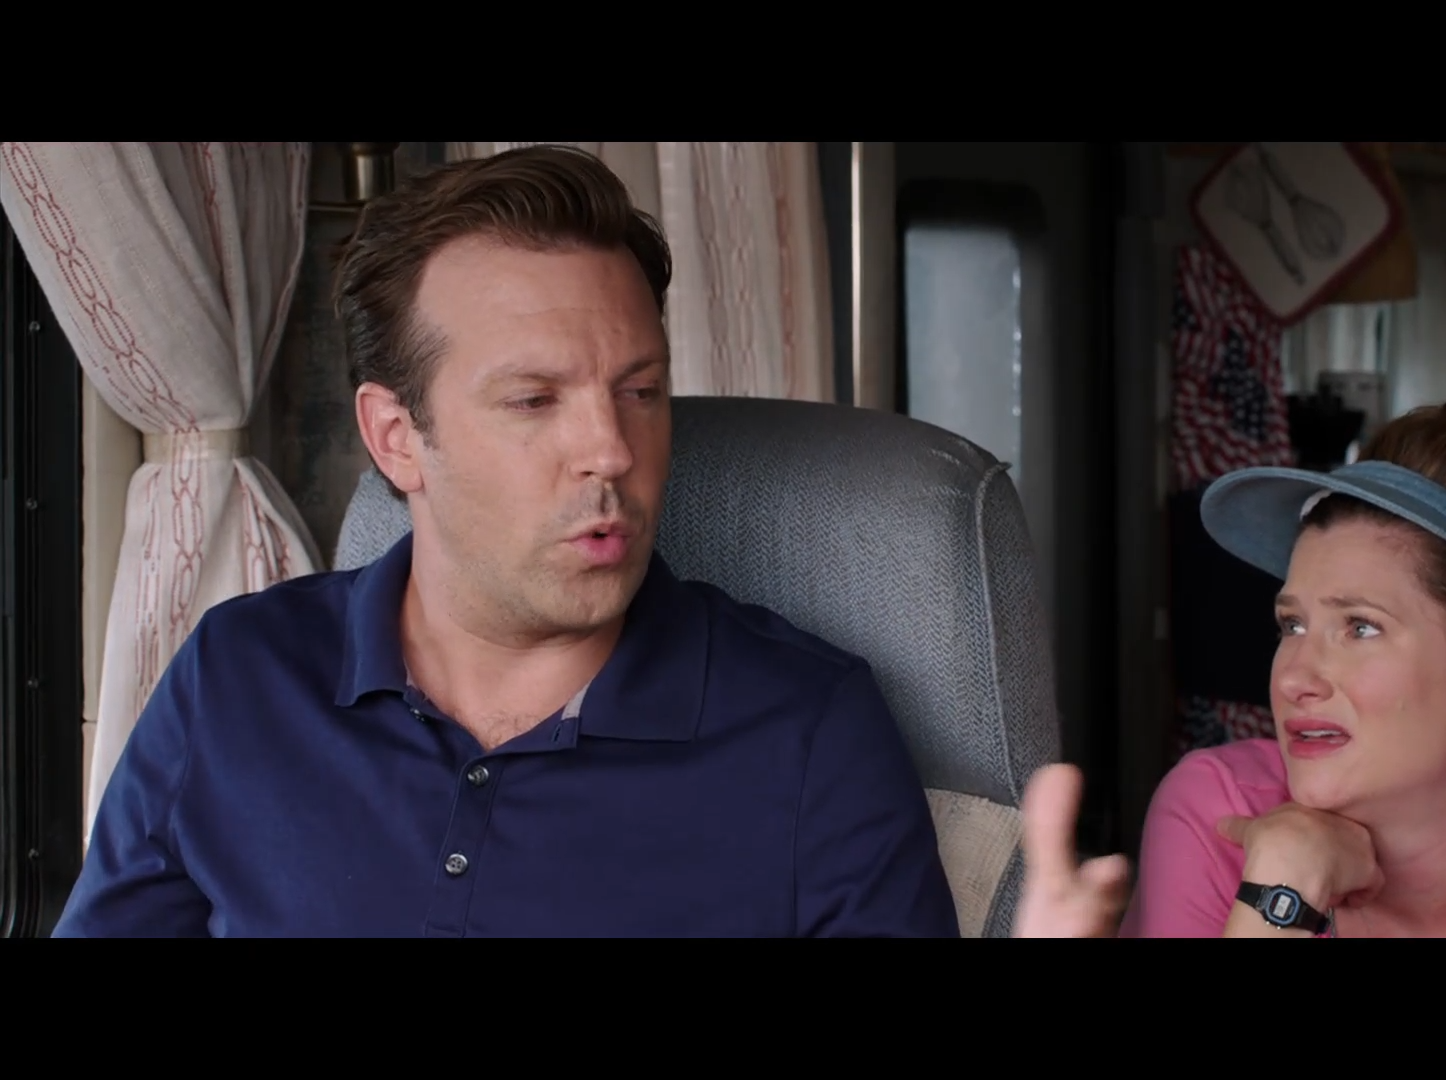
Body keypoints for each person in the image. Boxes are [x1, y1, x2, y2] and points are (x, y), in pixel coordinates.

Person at [54, 145, 960, 938]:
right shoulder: (236, 676)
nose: (612, 450)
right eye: (533, 400)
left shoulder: (809, 733)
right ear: (396, 438)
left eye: (640, 392)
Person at [1016, 400, 1446, 939]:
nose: (1294, 677)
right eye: (1292, 625)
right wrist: (1281, 890)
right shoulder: (1219, 816)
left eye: (1360, 627)